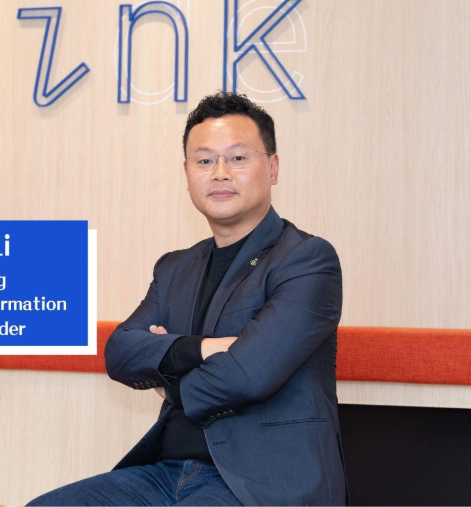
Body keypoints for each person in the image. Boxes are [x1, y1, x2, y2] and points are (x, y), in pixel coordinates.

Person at [26, 91, 349, 506]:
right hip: (165, 474)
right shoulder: (174, 268)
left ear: (272, 167)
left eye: (237, 158)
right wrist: (204, 349)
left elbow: (247, 376)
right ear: (187, 172)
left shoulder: (307, 260)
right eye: (204, 161)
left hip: (260, 484)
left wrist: (170, 382)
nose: (220, 173)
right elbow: (120, 352)